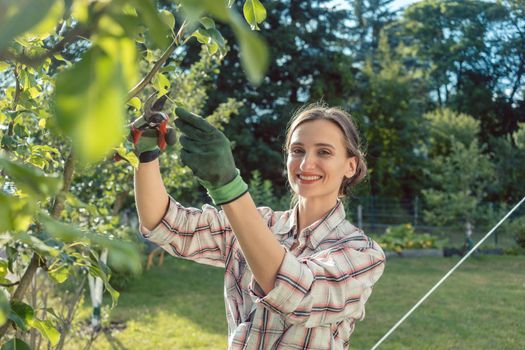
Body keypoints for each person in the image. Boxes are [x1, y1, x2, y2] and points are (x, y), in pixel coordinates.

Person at [133, 103, 385, 349]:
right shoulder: (258, 223)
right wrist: (147, 154)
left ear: (350, 166)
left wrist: (229, 188)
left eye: (324, 152)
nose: (306, 164)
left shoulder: (363, 253)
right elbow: (167, 225)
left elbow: (297, 294)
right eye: (297, 150)